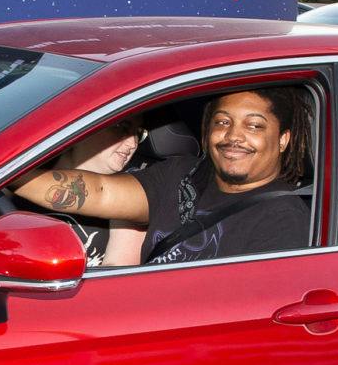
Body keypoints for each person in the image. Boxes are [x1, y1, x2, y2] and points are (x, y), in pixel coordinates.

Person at [15, 85, 311, 266]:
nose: (234, 136)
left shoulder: (282, 219)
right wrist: (4, 172)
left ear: (283, 139)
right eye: (223, 122)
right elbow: (99, 192)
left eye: (254, 126)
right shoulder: (181, 173)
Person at [45, 118, 146, 267]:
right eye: (121, 126)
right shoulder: (19, 173)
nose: (133, 144)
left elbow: (116, 278)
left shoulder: (130, 193)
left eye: (138, 133)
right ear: (83, 127)